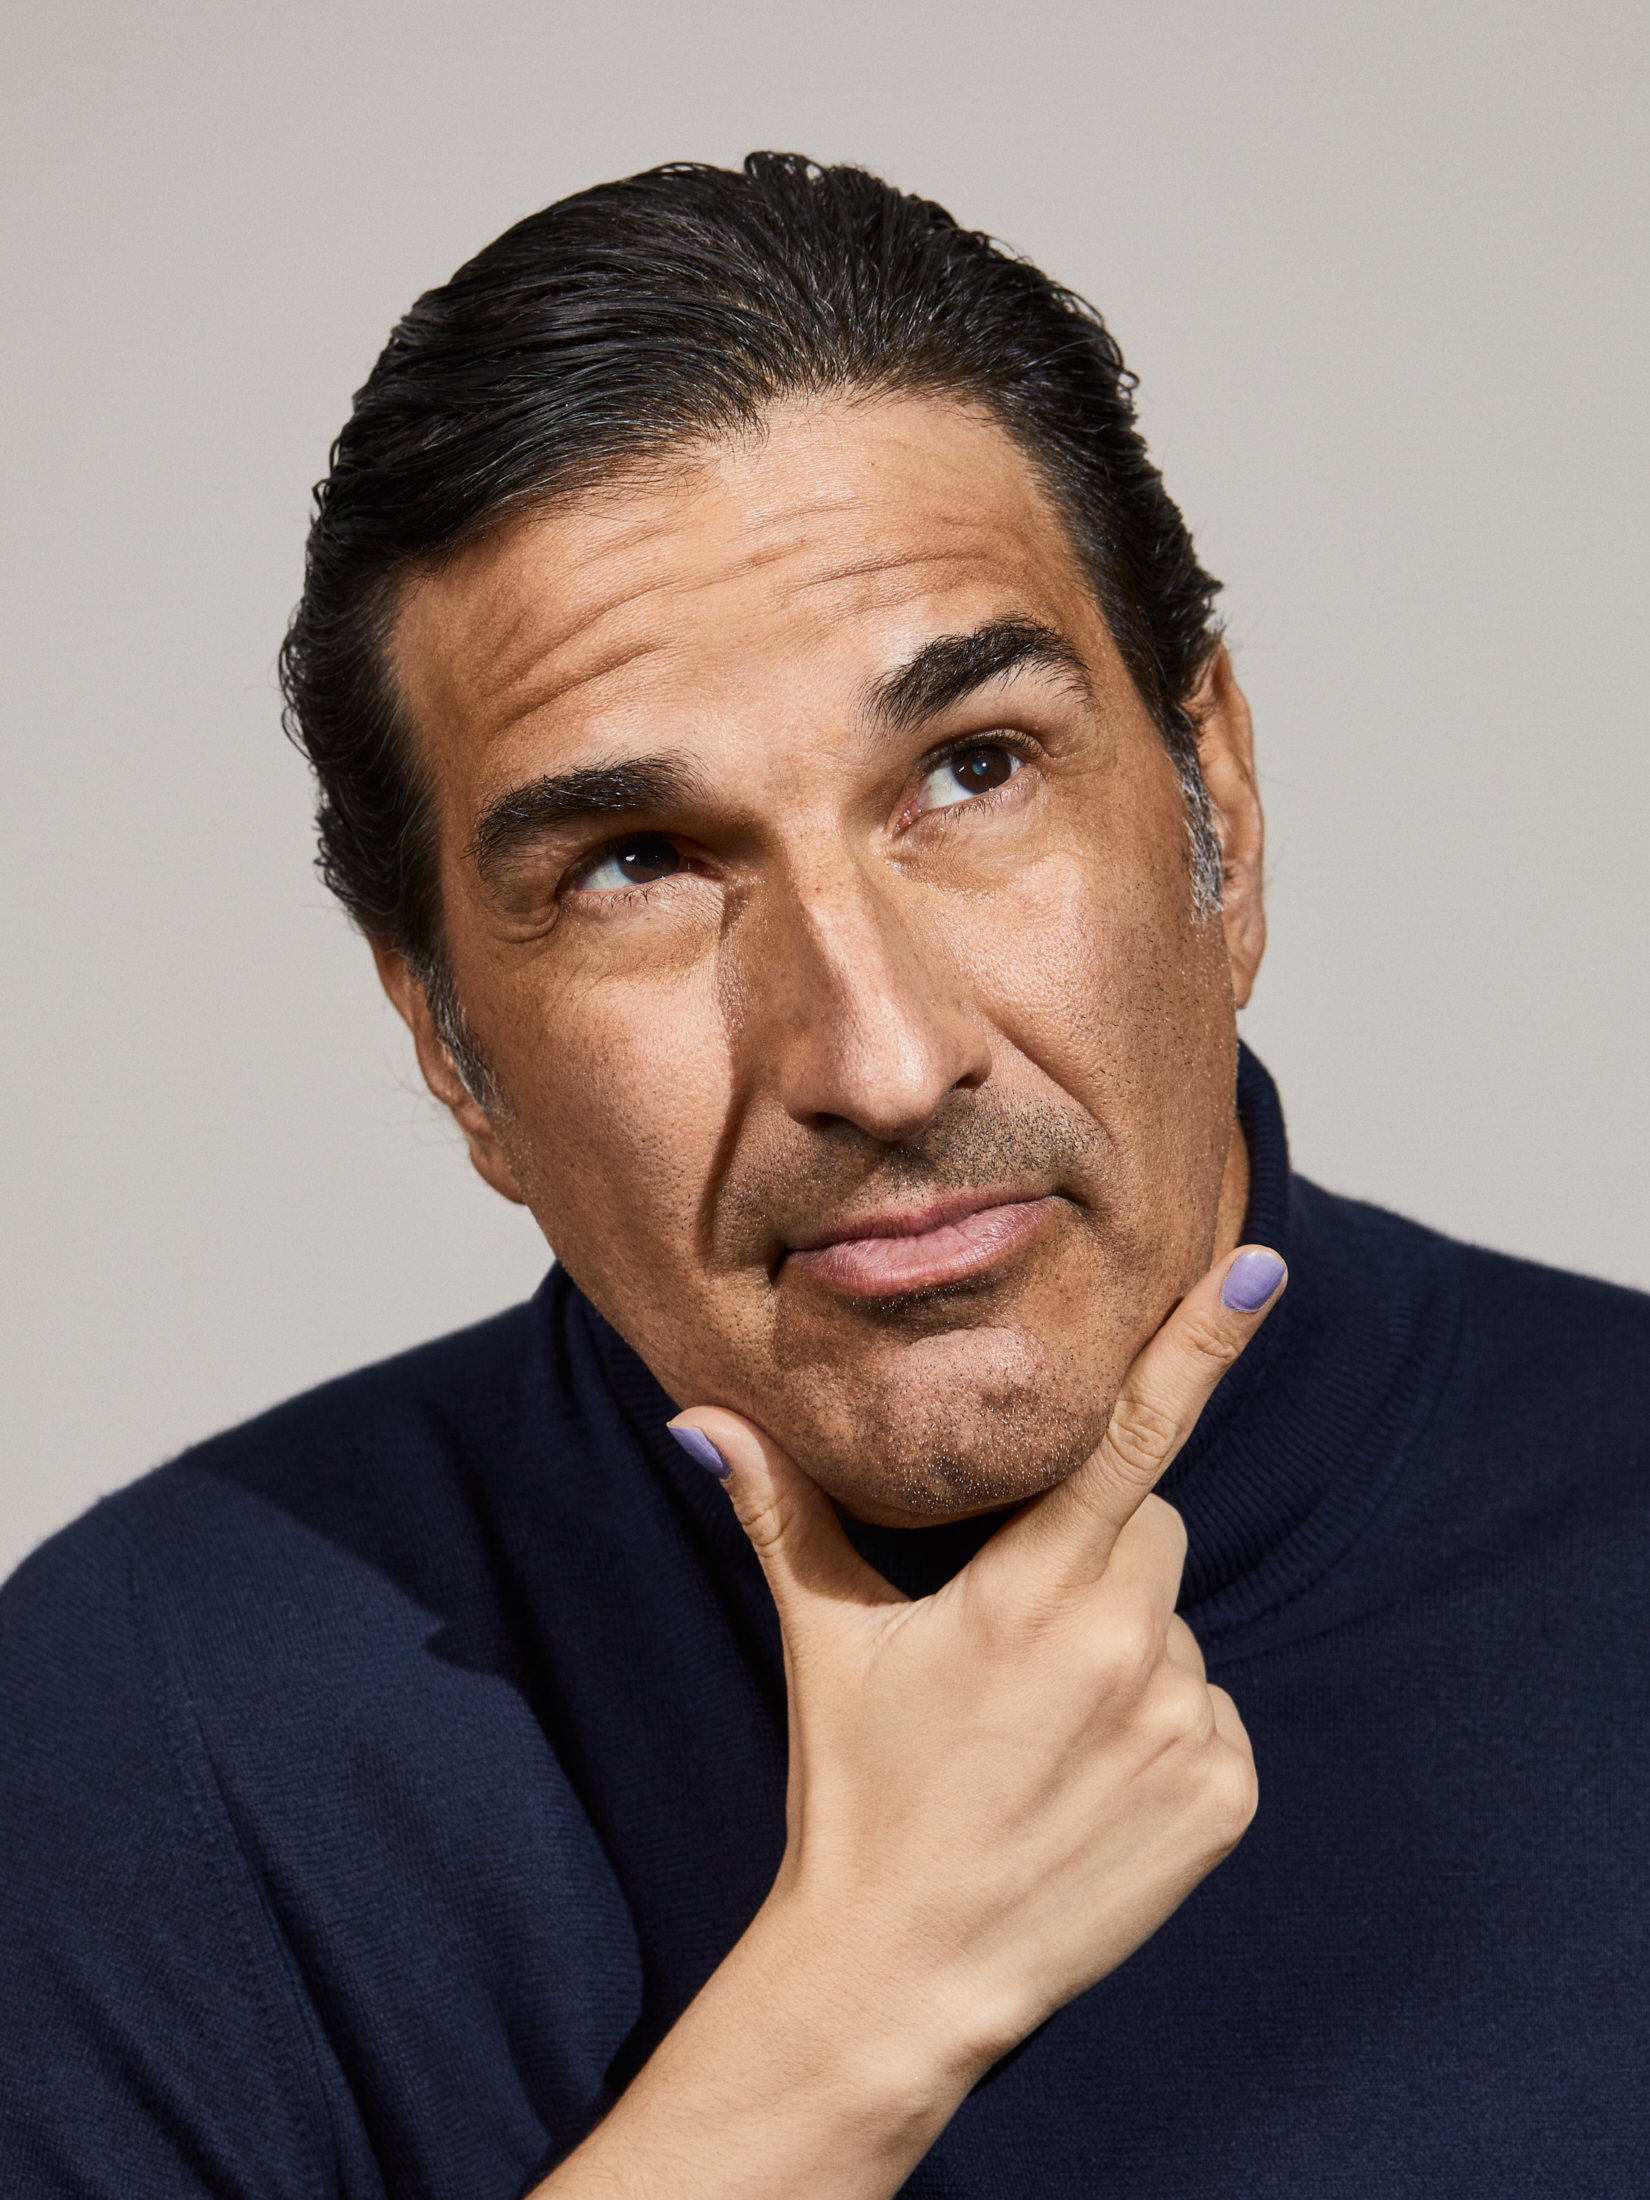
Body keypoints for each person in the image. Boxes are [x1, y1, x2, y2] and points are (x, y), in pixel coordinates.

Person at [3, 152, 1647, 2200]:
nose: (876, 1059)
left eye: (972, 769)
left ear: (1214, 803)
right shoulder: (138, 1737)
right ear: (448, 1039)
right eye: (637, 865)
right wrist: (851, 2026)